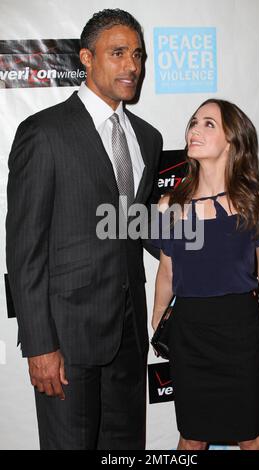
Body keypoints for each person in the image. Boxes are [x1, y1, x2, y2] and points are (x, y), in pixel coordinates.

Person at [6, 9, 162, 450]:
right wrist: (39, 346)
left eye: (138, 55)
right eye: (118, 53)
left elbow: (134, 224)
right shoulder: (44, 132)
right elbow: (24, 250)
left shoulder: (147, 138)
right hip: (66, 339)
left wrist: (202, 247)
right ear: (87, 59)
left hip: (129, 338)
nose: (133, 65)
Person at [152, 99, 259, 451]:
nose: (194, 130)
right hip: (189, 337)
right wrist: (156, 320)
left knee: (252, 437)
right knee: (191, 437)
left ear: (233, 141)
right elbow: (167, 270)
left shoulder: (256, 204)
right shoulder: (170, 205)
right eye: (193, 122)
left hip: (240, 337)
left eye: (209, 124)